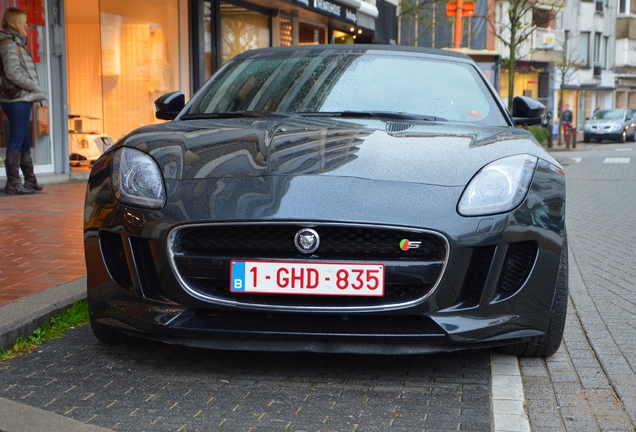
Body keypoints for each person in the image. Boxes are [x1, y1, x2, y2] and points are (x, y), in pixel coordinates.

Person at [0, 7, 46, 194]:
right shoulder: (9, 43)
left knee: (24, 139)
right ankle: (13, 184)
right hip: (17, 99)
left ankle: (30, 180)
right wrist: (34, 87)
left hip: (20, 98)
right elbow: (12, 73)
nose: (27, 25)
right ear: (16, 22)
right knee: (17, 140)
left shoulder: (14, 42)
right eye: (24, 21)